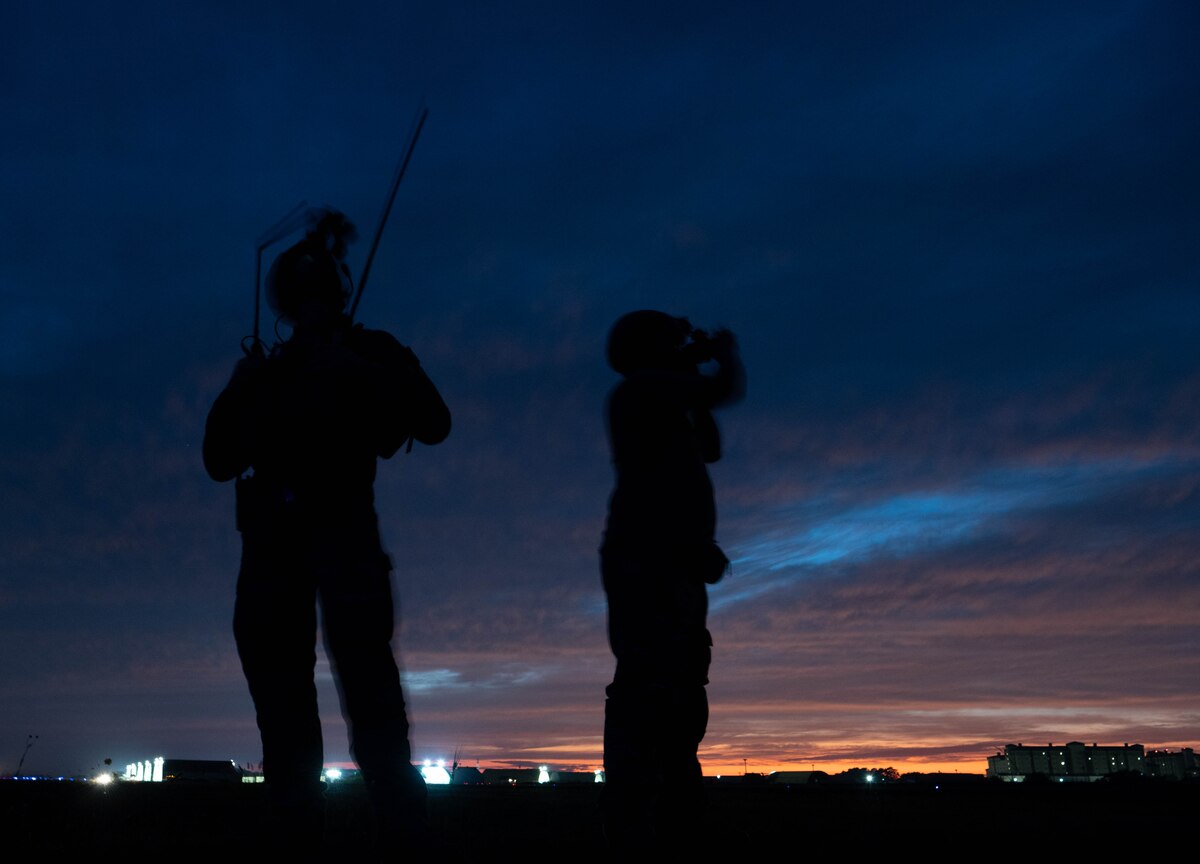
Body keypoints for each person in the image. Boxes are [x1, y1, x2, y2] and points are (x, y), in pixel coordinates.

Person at [203, 208, 450, 851]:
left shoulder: (369, 351)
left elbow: (432, 419)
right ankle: (297, 841)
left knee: (372, 703)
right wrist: (241, 389)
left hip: (344, 541)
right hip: (271, 553)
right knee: (284, 716)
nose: (310, 310)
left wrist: (358, 373)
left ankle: (403, 834)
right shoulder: (266, 370)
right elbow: (218, 458)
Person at [599, 310, 745, 849]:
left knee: (680, 679)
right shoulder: (642, 389)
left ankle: (671, 812)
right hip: (650, 559)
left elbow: (710, 447)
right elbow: (724, 388)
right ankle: (638, 820)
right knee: (651, 682)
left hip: (671, 559)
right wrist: (722, 351)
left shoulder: (662, 394)